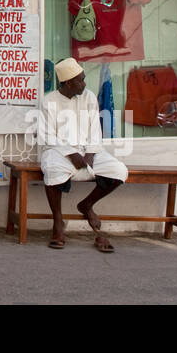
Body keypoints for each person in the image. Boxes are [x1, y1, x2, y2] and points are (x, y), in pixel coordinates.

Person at [36, 57, 128, 252]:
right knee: (52, 170)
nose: (84, 84)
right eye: (80, 80)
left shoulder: (88, 97)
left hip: (88, 152)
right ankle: (58, 223)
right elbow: (47, 136)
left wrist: (90, 155)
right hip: (58, 152)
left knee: (118, 170)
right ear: (68, 83)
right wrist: (71, 154)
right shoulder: (49, 101)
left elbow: (96, 129)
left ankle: (86, 204)